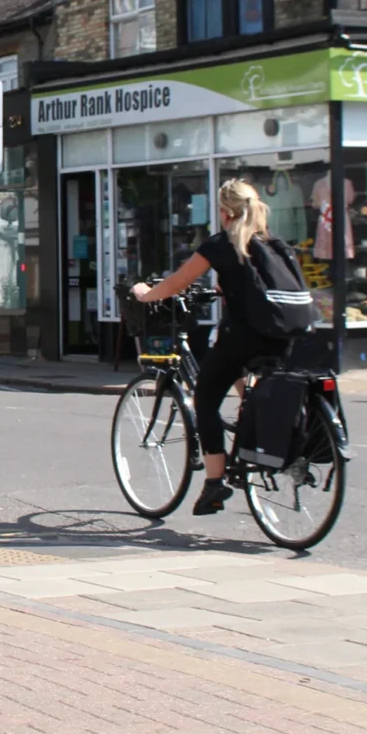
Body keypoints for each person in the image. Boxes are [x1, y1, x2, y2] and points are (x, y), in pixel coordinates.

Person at [130, 179, 298, 516]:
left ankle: (214, 482)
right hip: (286, 335)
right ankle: (255, 438)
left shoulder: (222, 244)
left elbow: (179, 280)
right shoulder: (276, 245)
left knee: (205, 397)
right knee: (249, 383)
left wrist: (146, 293)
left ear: (224, 212)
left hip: (245, 338)